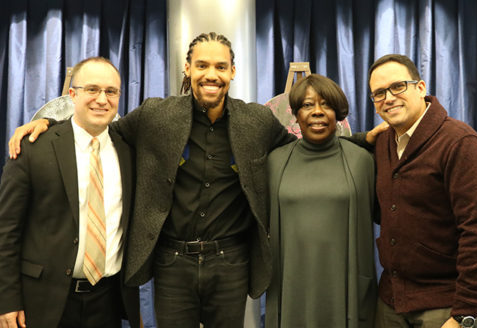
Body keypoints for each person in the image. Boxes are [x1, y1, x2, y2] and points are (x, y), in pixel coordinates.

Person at [8, 32, 298, 328]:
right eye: (202, 65)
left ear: (232, 72)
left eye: (221, 67)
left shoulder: (257, 122)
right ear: (187, 68)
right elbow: (104, 129)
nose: (211, 75)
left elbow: (299, 149)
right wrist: (51, 124)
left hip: (232, 262)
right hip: (172, 263)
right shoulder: (155, 116)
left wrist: (347, 144)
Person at [0, 57, 140, 328]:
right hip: (42, 302)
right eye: (92, 89)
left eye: (111, 92)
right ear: (72, 95)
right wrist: (6, 300)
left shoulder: (131, 151)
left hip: (108, 301)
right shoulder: (33, 149)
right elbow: (6, 231)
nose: (102, 99)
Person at [367, 54, 477, 328]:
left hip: (446, 305)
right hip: (390, 301)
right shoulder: (382, 144)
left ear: (421, 87)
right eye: (379, 93)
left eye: (397, 86)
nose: (388, 98)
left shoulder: (461, 144)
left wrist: (464, 314)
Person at [265, 74, 377, 327]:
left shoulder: (362, 161)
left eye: (326, 104)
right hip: (290, 286)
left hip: (345, 287)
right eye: (307, 105)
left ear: (338, 113)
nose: (317, 112)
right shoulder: (275, 162)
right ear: (295, 114)